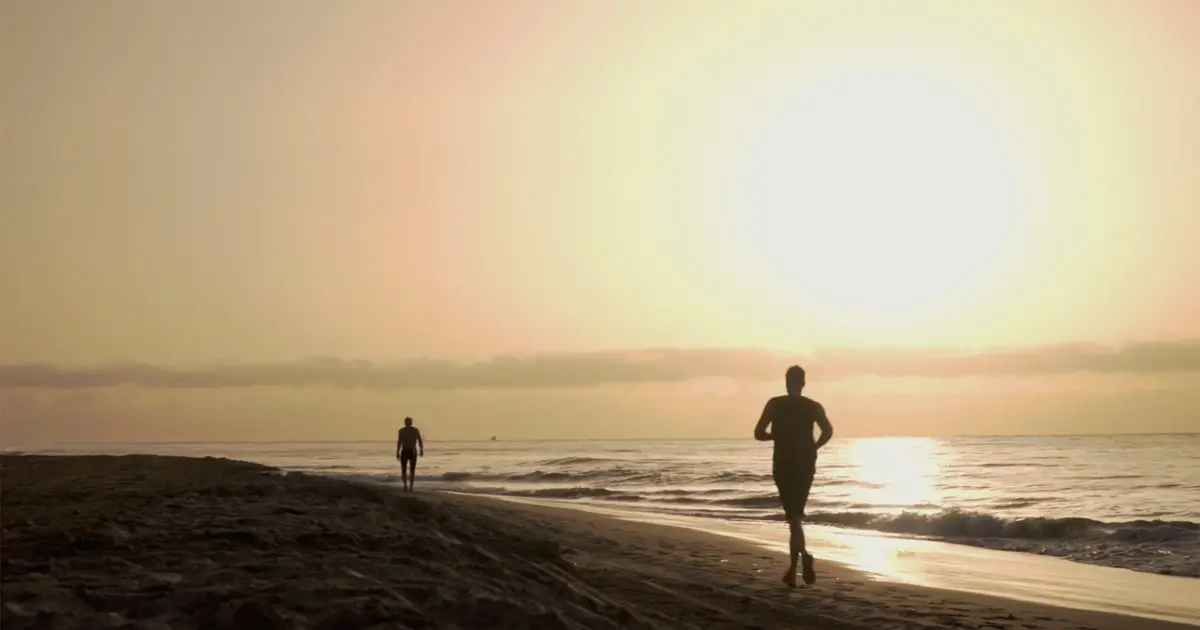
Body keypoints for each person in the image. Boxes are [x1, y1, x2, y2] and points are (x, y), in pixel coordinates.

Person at [754, 365, 833, 587]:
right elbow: (828, 431)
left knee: (794, 517)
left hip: (783, 463)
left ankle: (797, 565)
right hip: (806, 463)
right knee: (796, 516)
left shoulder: (775, 404)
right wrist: (814, 447)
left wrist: (776, 436)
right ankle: (797, 565)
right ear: (803, 383)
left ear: (787, 383)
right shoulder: (813, 406)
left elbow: (758, 433)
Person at [396, 417, 424, 492]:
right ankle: (408, 486)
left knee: (406, 469)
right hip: (409, 451)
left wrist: (397, 452)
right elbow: (420, 441)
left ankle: (408, 486)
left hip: (408, 451)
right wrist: (421, 450)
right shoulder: (413, 430)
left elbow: (399, 442)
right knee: (410, 469)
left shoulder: (406, 431)